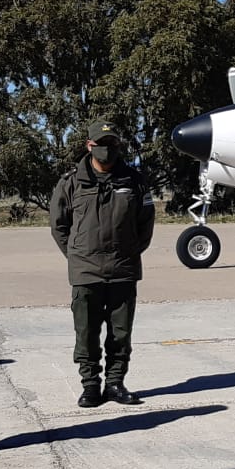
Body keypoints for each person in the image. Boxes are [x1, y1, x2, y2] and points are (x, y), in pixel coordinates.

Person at [51, 119, 155, 408]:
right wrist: (76, 255)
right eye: (101, 145)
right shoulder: (71, 182)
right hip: (86, 271)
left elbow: (146, 223)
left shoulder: (133, 181)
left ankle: (115, 383)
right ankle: (90, 385)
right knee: (86, 332)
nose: (107, 151)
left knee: (121, 333)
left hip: (123, 269)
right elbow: (59, 226)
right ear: (89, 146)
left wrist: (132, 251)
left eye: (112, 145)